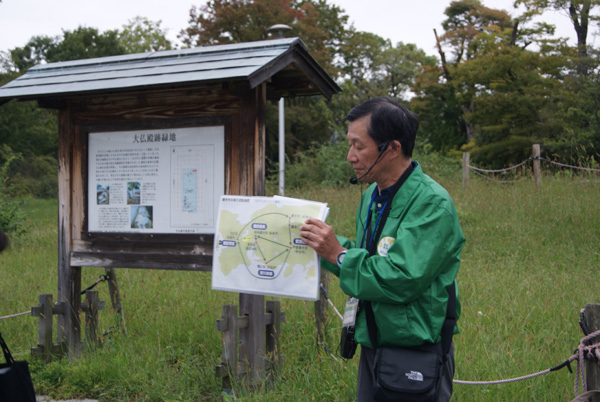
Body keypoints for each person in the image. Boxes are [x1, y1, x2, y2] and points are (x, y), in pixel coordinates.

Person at [299, 97, 465, 401]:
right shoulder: (372, 197)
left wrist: (339, 254)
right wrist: (324, 247)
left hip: (416, 351)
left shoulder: (432, 203)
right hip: (374, 343)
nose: (350, 156)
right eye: (349, 145)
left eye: (358, 146)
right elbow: (372, 259)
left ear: (392, 148)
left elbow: (402, 277)